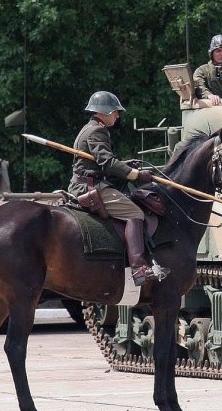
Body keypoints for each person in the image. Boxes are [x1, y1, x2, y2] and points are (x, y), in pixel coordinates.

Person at [68, 91, 166, 286]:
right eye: (115, 112)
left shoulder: (90, 128)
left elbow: (100, 162)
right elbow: (108, 163)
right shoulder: (97, 131)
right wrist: (136, 175)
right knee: (135, 213)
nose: (117, 116)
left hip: (89, 181)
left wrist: (125, 165)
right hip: (90, 186)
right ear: (103, 112)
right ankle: (139, 269)